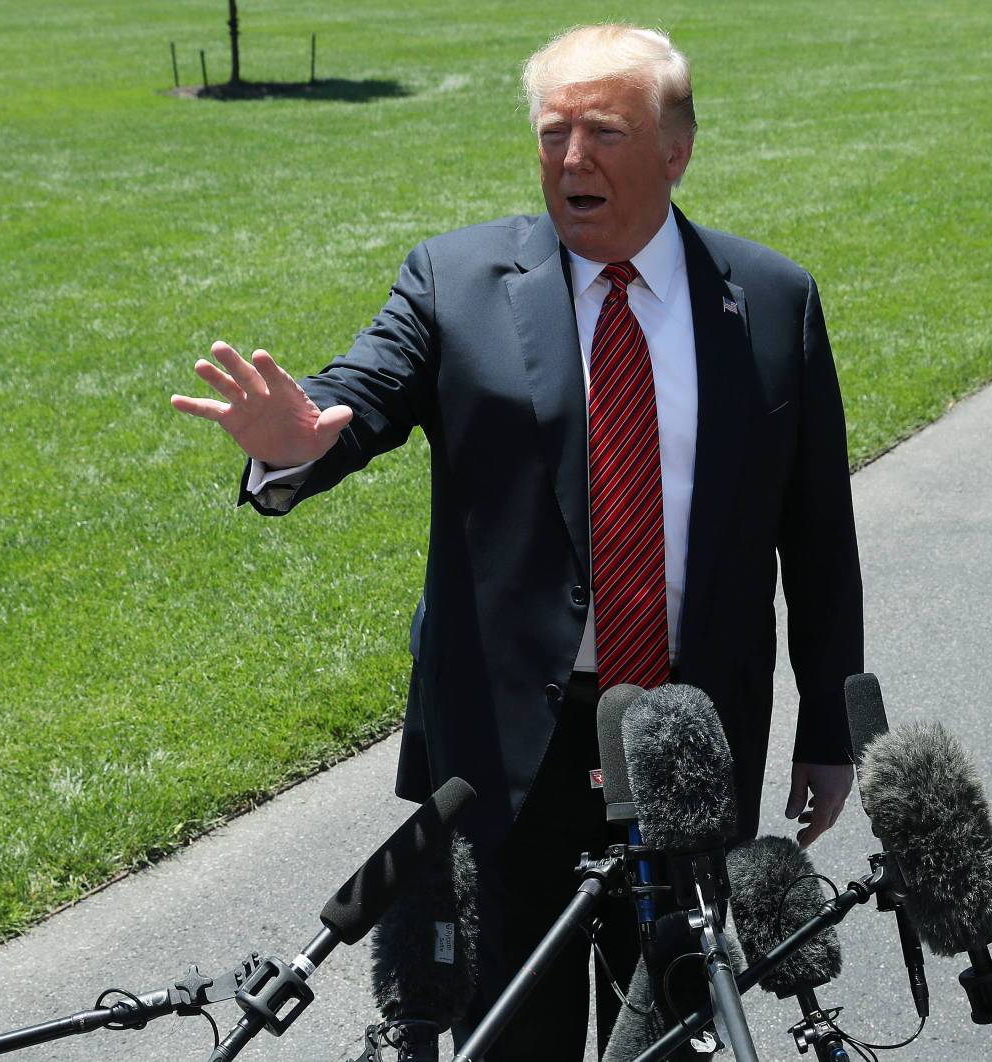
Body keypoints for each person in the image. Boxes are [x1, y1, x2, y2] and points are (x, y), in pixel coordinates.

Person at [171, 23, 863, 1059]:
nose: (572, 159)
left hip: (683, 743)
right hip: (504, 758)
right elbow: (361, 392)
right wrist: (299, 442)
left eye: (604, 133)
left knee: (669, 1029)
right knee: (508, 1034)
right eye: (553, 134)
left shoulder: (771, 303)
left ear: (677, 148)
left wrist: (829, 726)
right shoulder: (458, 282)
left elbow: (817, 537)